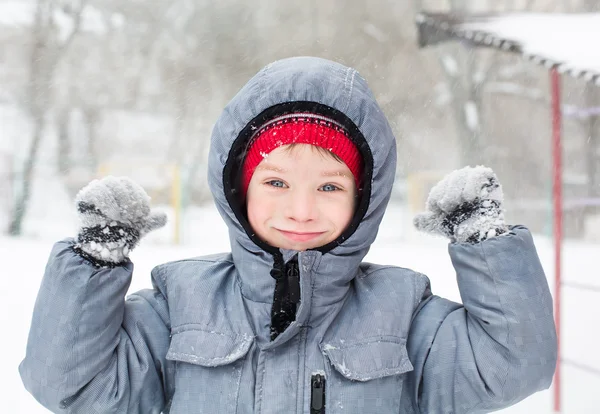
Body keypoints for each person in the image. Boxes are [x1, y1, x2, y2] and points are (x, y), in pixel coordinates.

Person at [19, 56, 557, 413]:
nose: (301, 210)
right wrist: (93, 262)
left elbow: (515, 364)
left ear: (362, 197)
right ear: (239, 187)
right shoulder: (181, 302)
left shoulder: (403, 310)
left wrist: (485, 243)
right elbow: (70, 383)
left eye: (328, 187)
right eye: (275, 181)